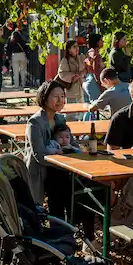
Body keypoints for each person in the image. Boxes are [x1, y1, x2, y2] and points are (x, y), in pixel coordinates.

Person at [24, 81, 95, 242]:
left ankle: (83, 235)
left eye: (62, 96)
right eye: (55, 96)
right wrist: (65, 161)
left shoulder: (60, 119)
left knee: (86, 189)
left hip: (60, 172)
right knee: (63, 193)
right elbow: (39, 155)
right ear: (44, 97)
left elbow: (72, 143)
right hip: (42, 172)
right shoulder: (35, 122)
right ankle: (60, 235)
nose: (60, 100)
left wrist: (78, 153)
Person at [83, 33, 104, 105]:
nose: (103, 41)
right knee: (95, 108)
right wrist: (101, 85)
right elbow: (96, 71)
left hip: (87, 80)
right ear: (97, 42)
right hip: (94, 82)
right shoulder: (96, 55)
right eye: (101, 40)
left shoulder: (89, 52)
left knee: (88, 108)